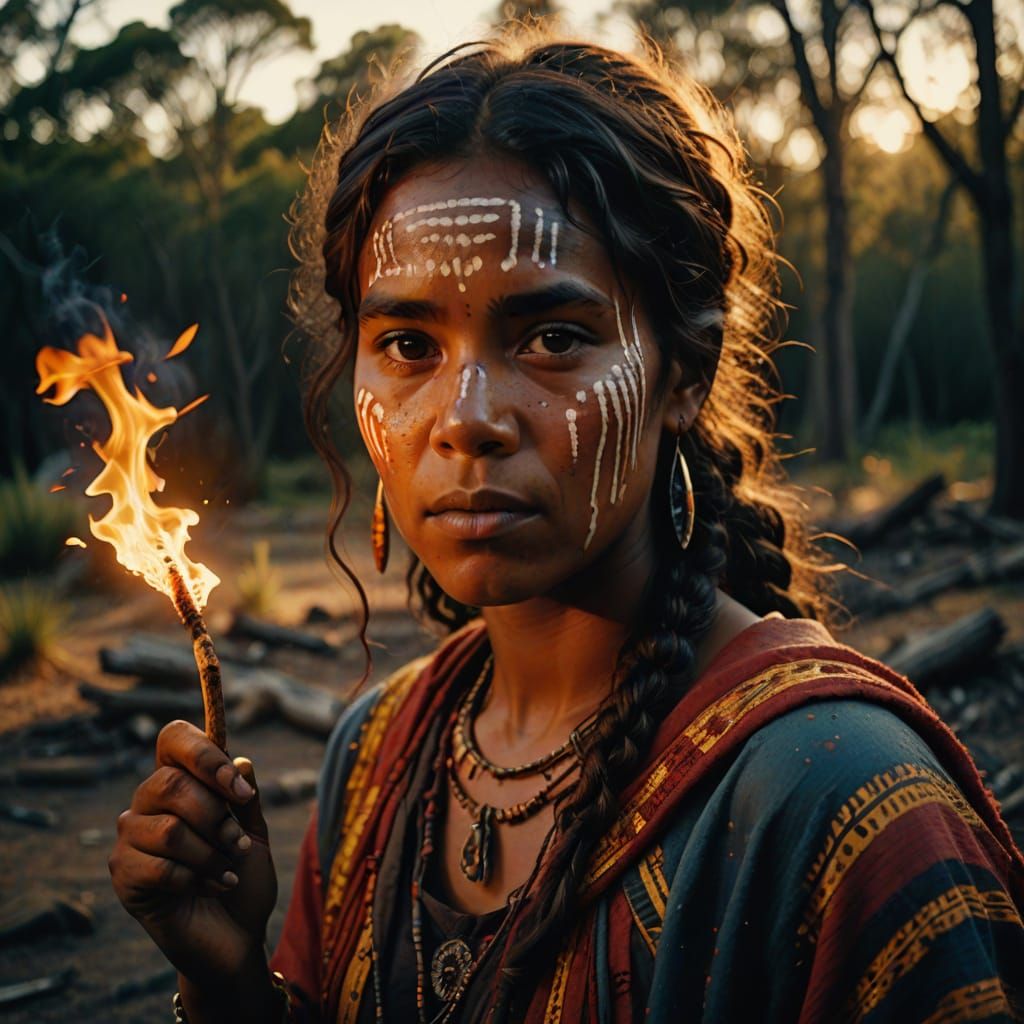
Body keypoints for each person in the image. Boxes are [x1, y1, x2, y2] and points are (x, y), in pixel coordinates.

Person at [108, 25, 1024, 1024]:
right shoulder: (373, 757)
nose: (465, 417)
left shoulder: (841, 803)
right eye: (408, 343)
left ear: (683, 373)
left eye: (551, 336)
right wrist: (229, 980)